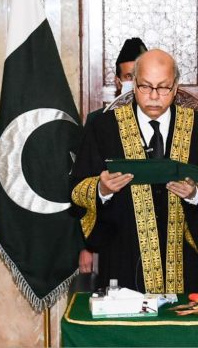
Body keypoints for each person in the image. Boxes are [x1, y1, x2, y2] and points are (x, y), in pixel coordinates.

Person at [71, 49, 198, 294]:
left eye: (163, 87)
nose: (154, 96)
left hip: (188, 271)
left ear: (176, 87)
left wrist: (195, 195)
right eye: (146, 87)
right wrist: (101, 189)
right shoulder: (103, 129)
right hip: (123, 267)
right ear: (133, 85)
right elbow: (76, 189)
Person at [78, 37, 148, 274]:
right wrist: (85, 246)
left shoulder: (170, 118)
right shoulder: (100, 121)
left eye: (140, 76)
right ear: (119, 82)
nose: (134, 82)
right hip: (116, 234)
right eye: (128, 77)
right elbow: (82, 181)